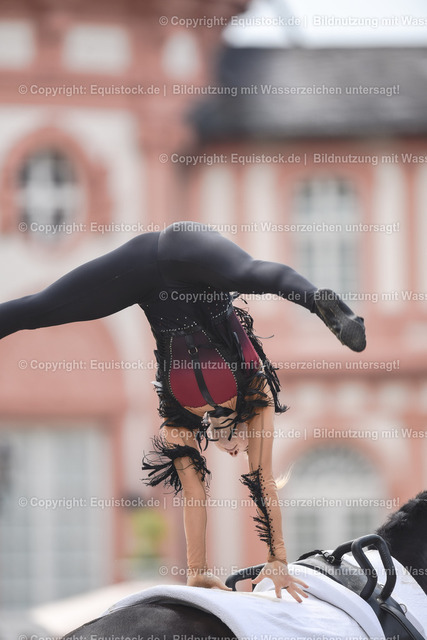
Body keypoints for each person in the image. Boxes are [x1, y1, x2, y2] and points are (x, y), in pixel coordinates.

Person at [0, 221, 366, 600]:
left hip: (143, 271)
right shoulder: (254, 393)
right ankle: (320, 301)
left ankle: (318, 301)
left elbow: (194, 494)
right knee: (250, 273)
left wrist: (197, 571)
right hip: (190, 249)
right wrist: (277, 559)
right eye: (240, 448)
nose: (235, 452)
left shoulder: (180, 413)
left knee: (42, 309)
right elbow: (263, 481)